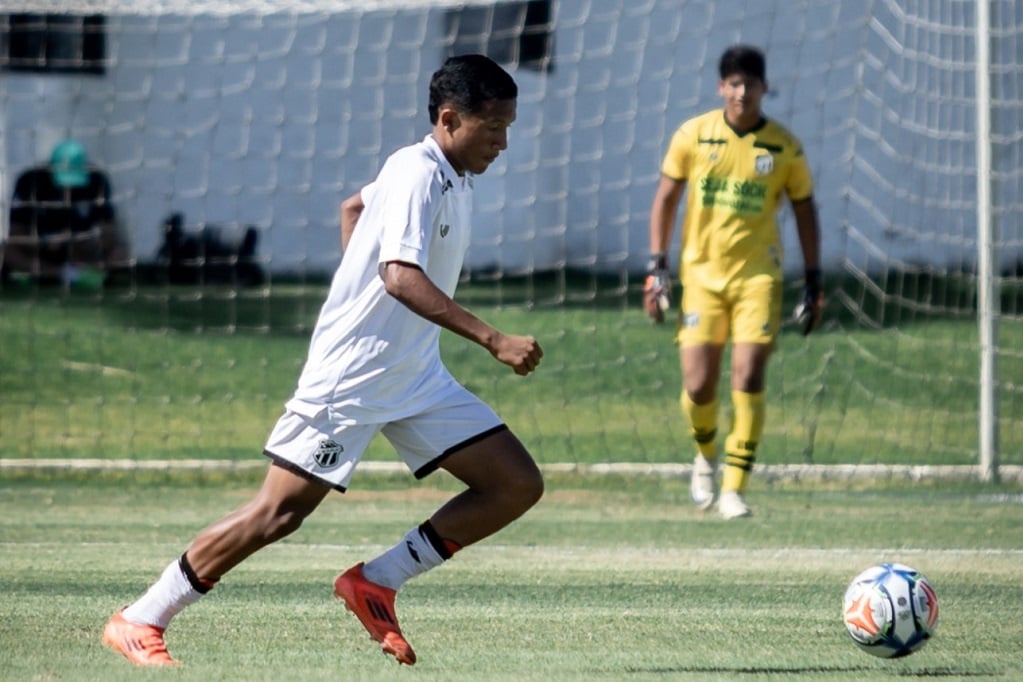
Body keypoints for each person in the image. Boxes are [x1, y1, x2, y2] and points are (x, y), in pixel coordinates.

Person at [102, 54, 544, 667]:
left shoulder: (451, 174)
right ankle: (140, 616)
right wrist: (493, 339)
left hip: (413, 374)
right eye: (494, 128)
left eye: (509, 128)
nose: (503, 142)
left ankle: (376, 581)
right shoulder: (416, 171)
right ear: (449, 119)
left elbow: (352, 210)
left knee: (514, 483)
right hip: (353, 377)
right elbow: (399, 278)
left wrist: (353, 291)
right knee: (278, 514)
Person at [644, 44, 822, 519]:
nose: (742, 92)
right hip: (701, 277)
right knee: (699, 385)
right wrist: (657, 267)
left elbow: (805, 210)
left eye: (751, 84)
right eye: (734, 83)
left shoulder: (783, 147)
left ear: (765, 88)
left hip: (757, 279)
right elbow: (665, 199)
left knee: (747, 375)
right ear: (722, 87)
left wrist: (813, 280)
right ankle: (705, 457)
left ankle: (734, 489)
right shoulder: (694, 135)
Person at [2, 139, 129, 289]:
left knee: (119, 254)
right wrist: (45, 242)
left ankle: (75, 275)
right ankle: (61, 275)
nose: (68, 187)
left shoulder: (97, 181)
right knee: (5, 251)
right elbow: (16, 232)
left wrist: (79, 239)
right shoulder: (30, 181)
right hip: (40, 248)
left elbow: (109, 230)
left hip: (81, 248)